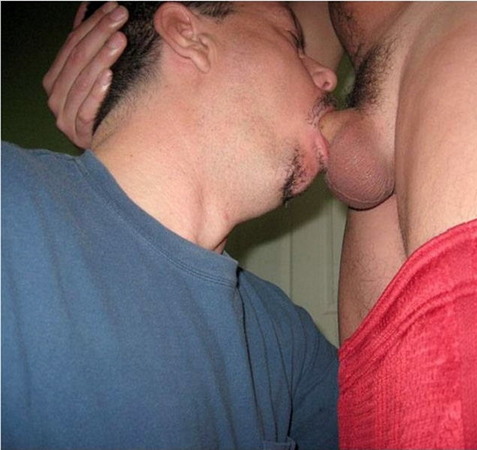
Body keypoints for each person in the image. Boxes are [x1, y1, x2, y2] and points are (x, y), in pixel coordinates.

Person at [43, 1, 477, 449]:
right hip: (382, 378)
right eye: (294, 44)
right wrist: (125, 98)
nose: (327, 77)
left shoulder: (275, 338)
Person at [2, 2, 341, 448]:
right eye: (293, 43)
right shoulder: (12, 205)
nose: (328, 77)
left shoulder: (284, 338)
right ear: (186, 32)